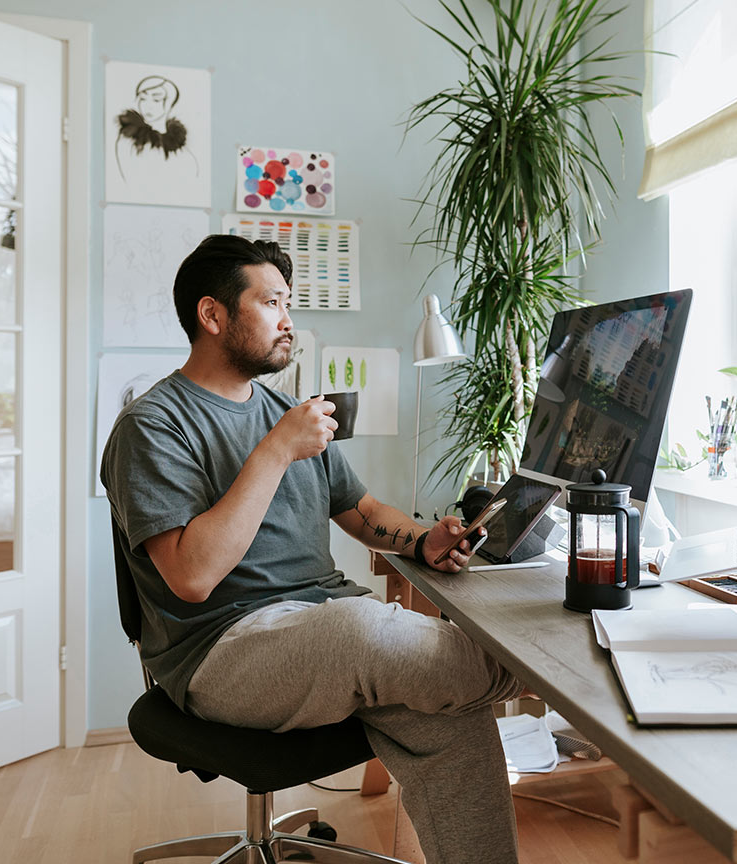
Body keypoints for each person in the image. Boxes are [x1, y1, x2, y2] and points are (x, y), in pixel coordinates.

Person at [100, 234, 521, 864]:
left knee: (450, 717)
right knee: (364, 629)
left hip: (320, 628)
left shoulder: (282, 410)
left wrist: (424, 541)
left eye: (289, 302)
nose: (288, 320)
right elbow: (191, 576)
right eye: (270, 302)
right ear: (212, 316)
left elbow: (364, 512)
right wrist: (274, 450)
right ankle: (535, 668)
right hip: (222, 650)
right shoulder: (153, 426)